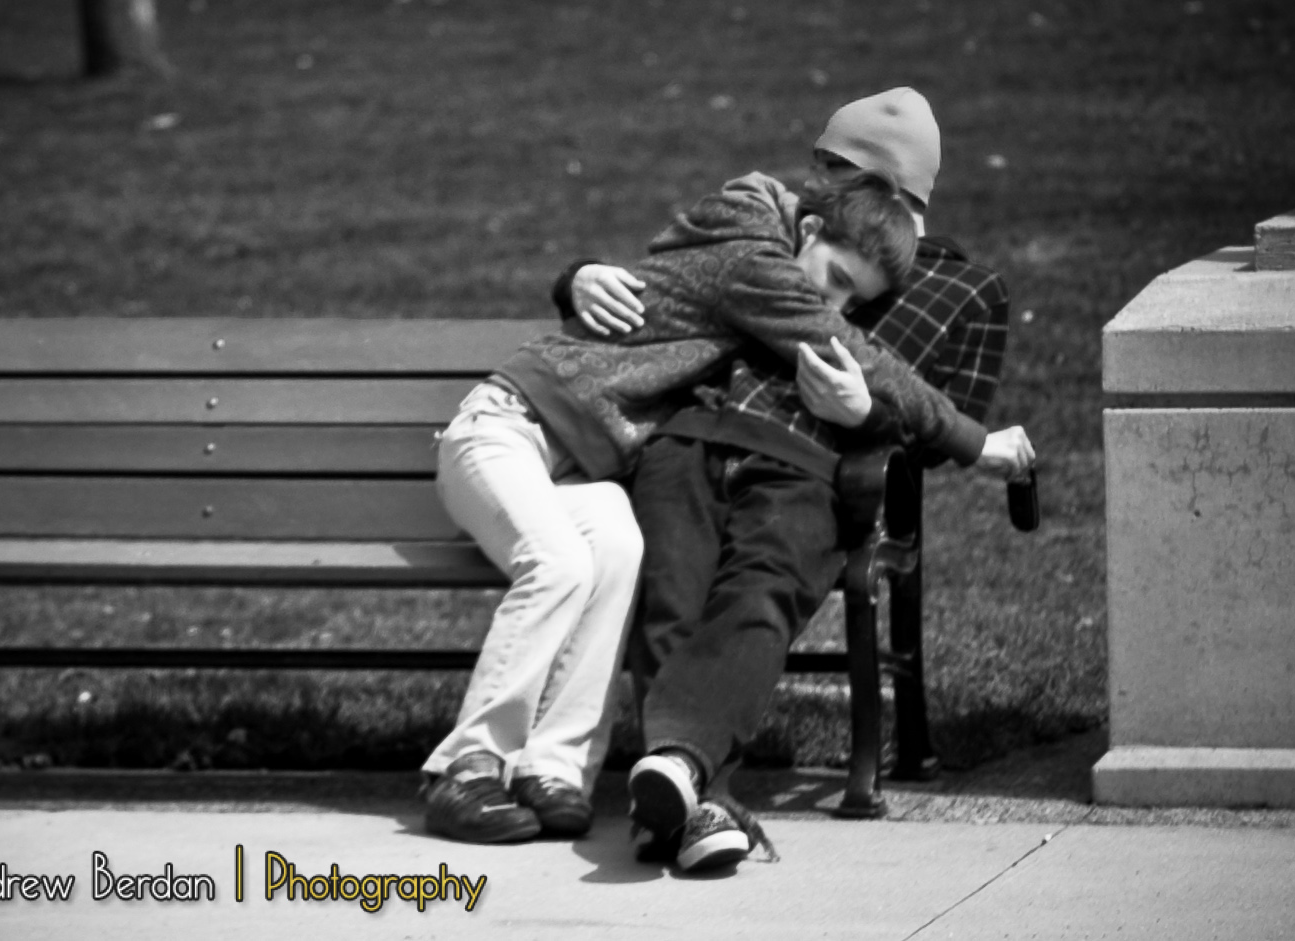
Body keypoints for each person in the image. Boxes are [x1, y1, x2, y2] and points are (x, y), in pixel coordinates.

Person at [555, 87, 1036, 871]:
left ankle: (676, 774)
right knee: (669, 588)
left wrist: (863, 413)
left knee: (761, 587)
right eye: (821, 168)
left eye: (841, 173)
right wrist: (577, 278)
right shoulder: (775, 238)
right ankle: (694, 797)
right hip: (695, 435)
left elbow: (922, 425)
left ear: (898, 197)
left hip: (810, 473)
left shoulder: (947, 287)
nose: (819, 184)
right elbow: (670, 289)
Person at [424, 169, 978, 845]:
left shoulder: (768, 258)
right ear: (807, 230)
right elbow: (855, 354)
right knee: (561, 560)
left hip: (582, 473)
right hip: (505, 428)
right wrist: (975, 442)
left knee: (621, 557)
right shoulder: (757, 265)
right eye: (834, 276)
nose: (833, 302)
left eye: (850, 296)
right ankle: (467, 765)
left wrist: (578, 274)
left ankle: (555, 770)